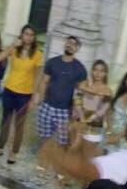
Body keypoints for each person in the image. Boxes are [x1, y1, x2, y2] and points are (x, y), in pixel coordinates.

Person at [33, 35, 88, 173]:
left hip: (64, 110)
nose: (70, 45)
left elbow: (81, 91)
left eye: (74, 44)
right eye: (69, 42)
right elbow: (44, 82)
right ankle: (43, 161)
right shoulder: (52, 62)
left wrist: (77, 110)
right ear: (65, 44)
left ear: (77, 48)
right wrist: (39, 98)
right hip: (47, 106)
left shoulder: (80, 69)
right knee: (44, 136)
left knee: (62, 141)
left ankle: (57, 165)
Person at [0, 25, 41, 165]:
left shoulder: (37, 54)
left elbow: (37, 77)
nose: (28, 37)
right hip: (9, 90)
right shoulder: (14, 49)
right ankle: (0, 148)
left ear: (34, 37)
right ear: (21, 35)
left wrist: (35, 96)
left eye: (31, 35)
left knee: (19, 125)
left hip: (25, 94)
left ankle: (14, 152)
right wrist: (13, 45)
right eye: (26, 34)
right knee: (5, 121)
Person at [75, 59, 112, 156]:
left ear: (105, 73)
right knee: (74, 155)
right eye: (95, 69)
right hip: (78, 125)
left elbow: (101, 112)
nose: (98, 73)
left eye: (101, 71)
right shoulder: (84, 85)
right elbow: (77, 102)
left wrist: (86, 121)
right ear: (91, 71)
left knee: (87, 157)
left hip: (94, 129)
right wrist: (81, 119)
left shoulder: (107, 91)